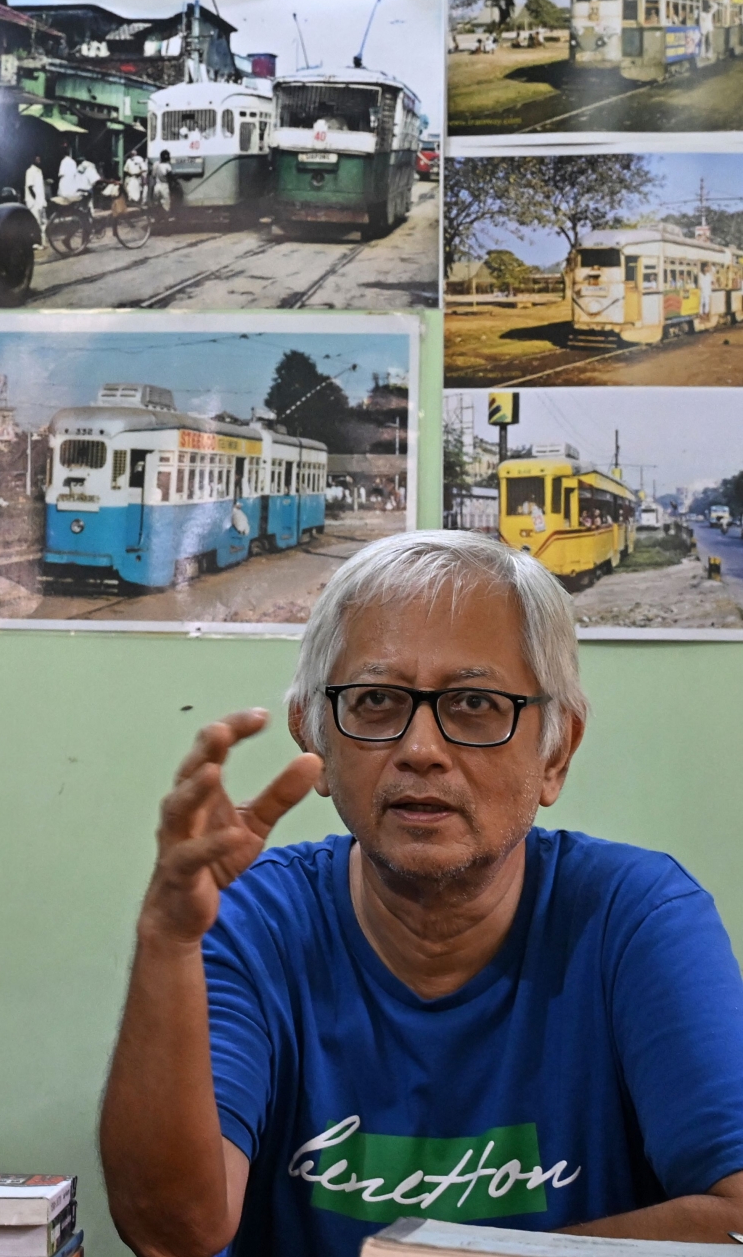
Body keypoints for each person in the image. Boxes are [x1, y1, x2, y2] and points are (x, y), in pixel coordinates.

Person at [100, 530, 743, 1257]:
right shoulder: (251, 919)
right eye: (376, 701)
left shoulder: (636, 917)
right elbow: (171, 1234)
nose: (420, 748)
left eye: (474, 703)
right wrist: (168, 939)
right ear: (314, 740)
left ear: (555, 752)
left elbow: (738, 1214)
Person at [24, 155, 47, 233]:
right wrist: (36, 199)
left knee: (43, 222)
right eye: (37, 159)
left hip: (40, 201)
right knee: (36, 222)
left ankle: (43, 242)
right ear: (33, 160)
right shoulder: (30, 171)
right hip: (33, 202)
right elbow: (30, 186)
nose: (39, 161)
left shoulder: (39, 171)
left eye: (39, 159)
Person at [151, 148, 173, 213]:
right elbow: (170, 177)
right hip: (164, 185)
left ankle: (157, 216)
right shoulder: (168, 166)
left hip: (157, 185)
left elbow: (153, 175)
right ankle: (166, 217)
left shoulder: (156, 164)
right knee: (166, 203)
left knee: (156, 202)